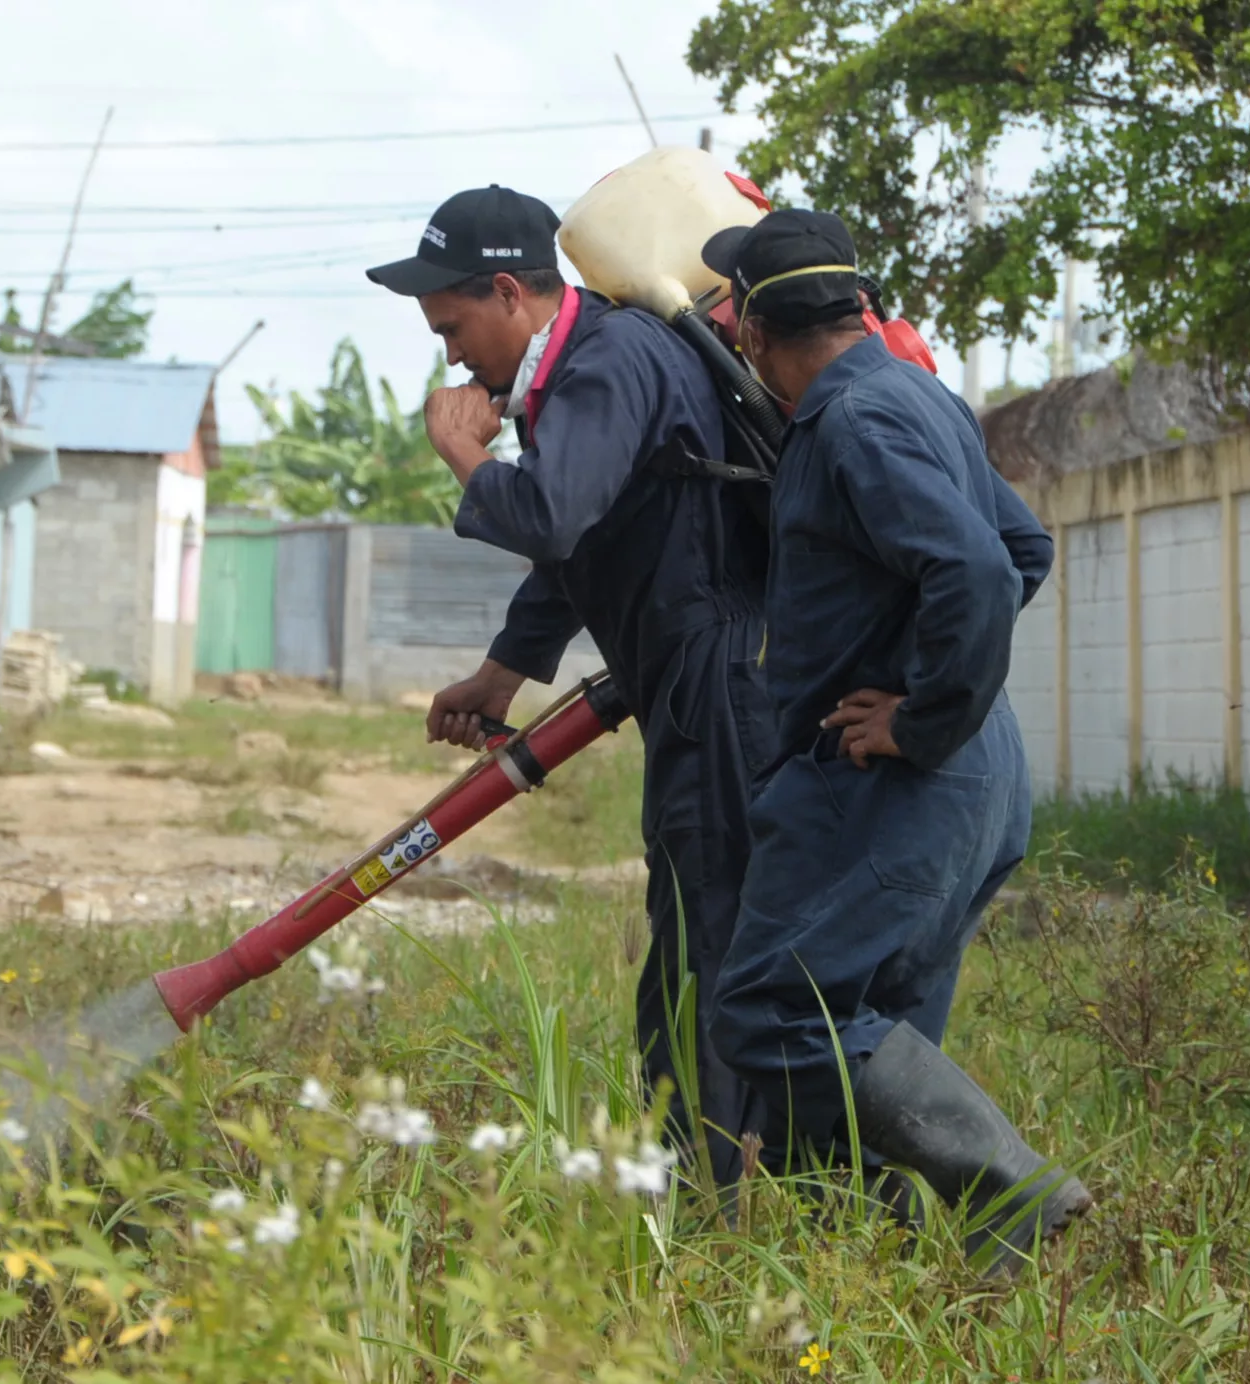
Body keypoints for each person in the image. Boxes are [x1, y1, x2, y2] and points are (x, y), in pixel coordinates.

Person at [697, 209, 1089, 1273]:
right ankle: (881, 1263)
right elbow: (1023, 545)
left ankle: (1011, 1188)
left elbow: (973, 573)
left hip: (894, 782)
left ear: (757, 331)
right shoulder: (917, 394)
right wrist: (933, 691)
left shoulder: (852, 422)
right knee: (865, 1016)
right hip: (973, 778)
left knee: (770, 1007)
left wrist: (917, 713)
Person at [366, 185, 772, 1189]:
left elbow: (550, 517)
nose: (452, 359)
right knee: (692, 944)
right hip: (692, 679)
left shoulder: (607, 361)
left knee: (706, 953)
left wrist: (461, 449)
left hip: (716, 682)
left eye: (453, 328)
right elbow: (581, 546)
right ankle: (717, 1180)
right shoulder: (587, 364)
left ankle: (724, 1199)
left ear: (509, 292)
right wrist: (502, 672)